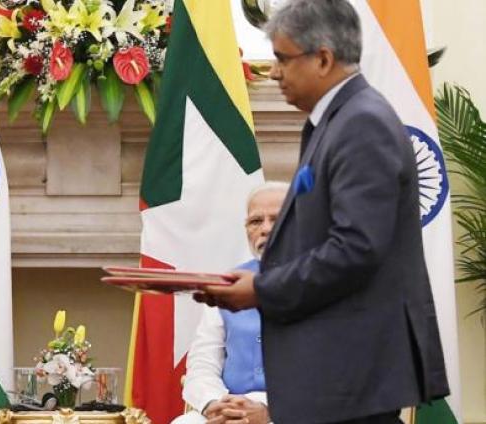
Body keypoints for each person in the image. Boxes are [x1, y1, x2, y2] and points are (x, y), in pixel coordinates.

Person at [199, 1, 450, 423]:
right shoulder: (335, 121)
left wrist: (261, 290)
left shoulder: (361, 123)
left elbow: (356, 248)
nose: (274, 72)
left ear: (323, 59)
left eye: (282, 59)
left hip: (353, 373)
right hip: (337, 373)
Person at [174, 182, 287, 424]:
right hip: (229, 407)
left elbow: (330, 375)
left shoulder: (320, 282)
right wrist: (215, 404)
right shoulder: (228, 282)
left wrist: (268, 410)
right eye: (256, 221)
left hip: (291, 412)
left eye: (276, 219)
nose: (265, 229)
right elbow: (202, 364)